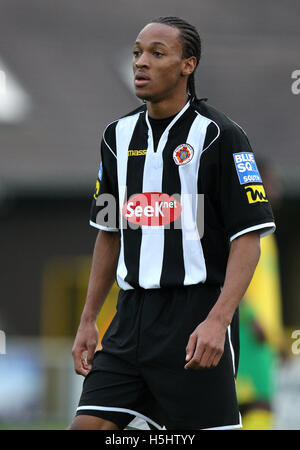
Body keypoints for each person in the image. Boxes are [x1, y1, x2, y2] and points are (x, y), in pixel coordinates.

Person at [68, 16, 276, 430]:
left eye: (157, 54)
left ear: (188, 65)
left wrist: (218, 321)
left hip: (193, 318)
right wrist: (89, 318)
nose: (141, 63)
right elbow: (109, 231)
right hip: (129, 320)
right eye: (137, 53)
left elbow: (248, 238)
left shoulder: (221, 136)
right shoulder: (116, 136)